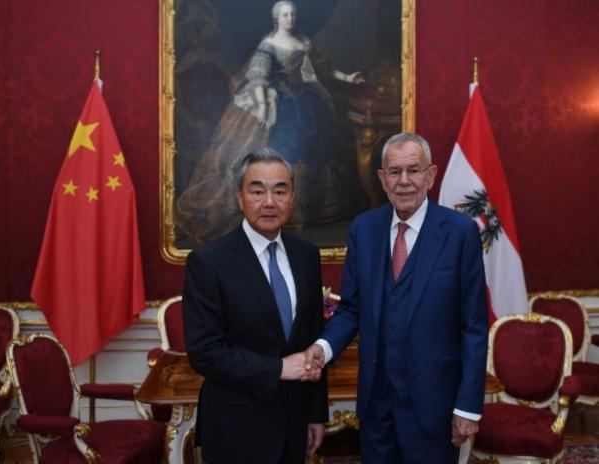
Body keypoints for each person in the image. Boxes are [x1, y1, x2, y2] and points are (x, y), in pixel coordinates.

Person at [305, 133, 488, 462]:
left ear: (430, 175)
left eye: (413, 170)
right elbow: (351, 309)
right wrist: (323, 348)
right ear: (382, 178)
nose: (404, 181)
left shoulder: (460, 232)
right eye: (394, 171)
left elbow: (474, 327)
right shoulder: (364, 229)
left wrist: (467, 407)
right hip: (376, 408)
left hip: (435, 407)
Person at [175, 0, 364, 245]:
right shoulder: (268, 45)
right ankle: (275, 206)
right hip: (275, 98)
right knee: (282, 145)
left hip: (307, 100)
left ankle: (316, 206)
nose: (290, 19)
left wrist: (348, 77)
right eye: (285, 15)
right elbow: (258, 78)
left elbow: (325, 69)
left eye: (292, 15)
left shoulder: (304, 43)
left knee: (318, 142)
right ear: (277, 18)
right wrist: (264, 107)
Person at [183, 148, 328, 464]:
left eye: (280, 191)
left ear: (292, 198)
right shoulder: (208, 262)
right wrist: (278, 368)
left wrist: (316, 413)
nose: (269, 202)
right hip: (236, 429)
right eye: (257, 191)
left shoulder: (306, 255)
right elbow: (204, 352)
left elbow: (313, 339)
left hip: (294, 426)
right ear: (240, 197)